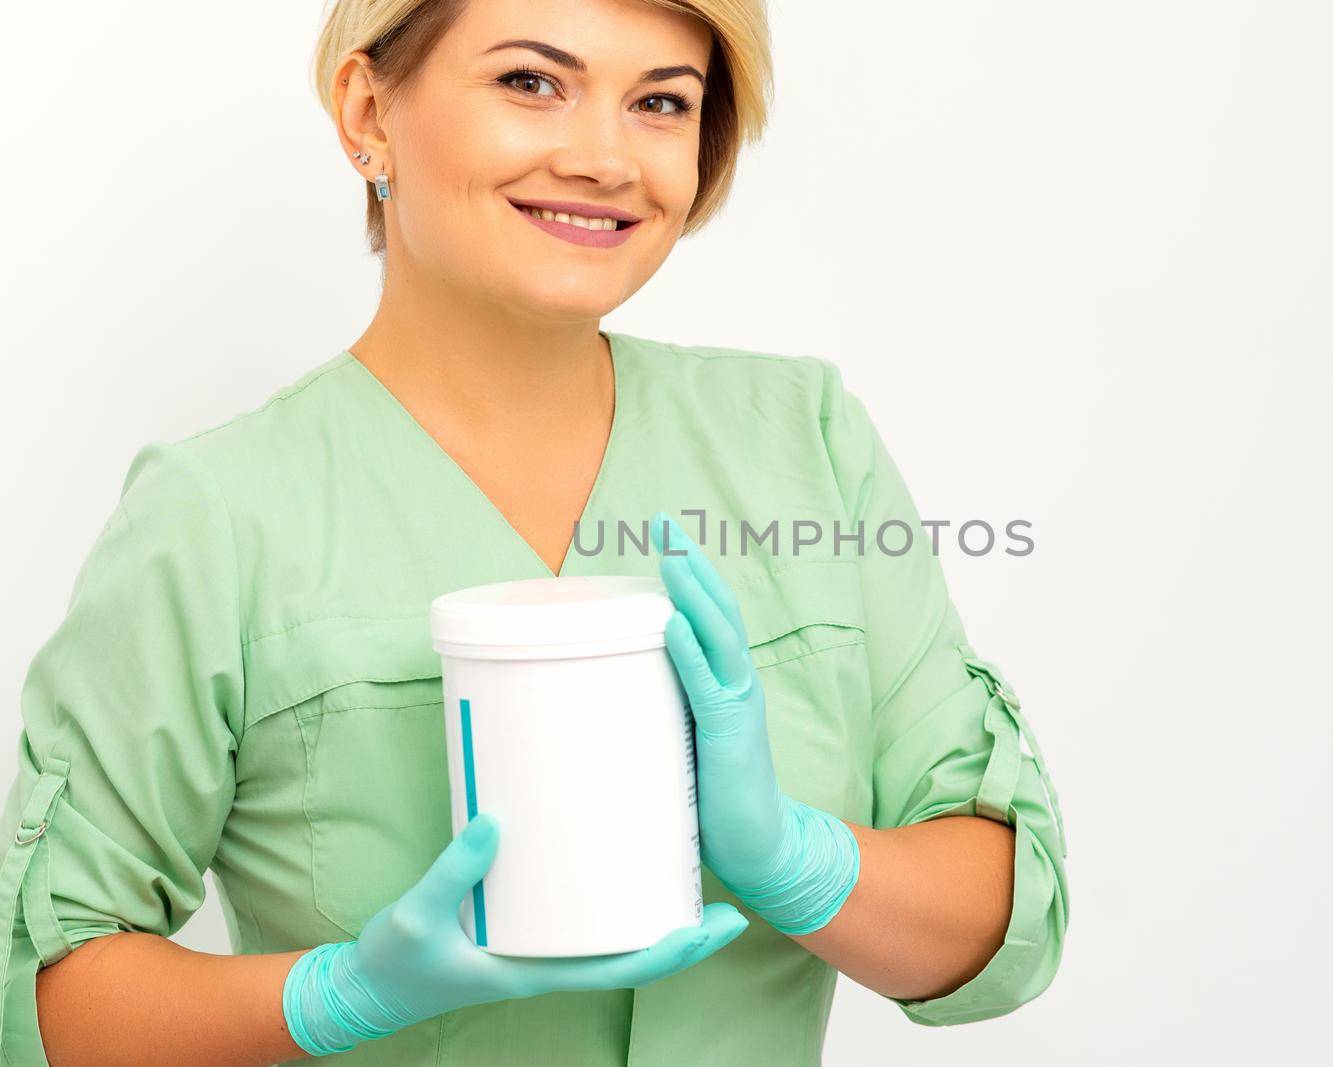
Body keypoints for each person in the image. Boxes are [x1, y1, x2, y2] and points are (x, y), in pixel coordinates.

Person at [0, 0, 1068, 1063]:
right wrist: (338, 993)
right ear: (367, 110)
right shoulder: (215, 514)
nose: (606, 158)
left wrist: (797, 858)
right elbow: (43, 1000)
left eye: (660, 101)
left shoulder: (806, 443)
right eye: (530, 82)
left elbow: (1004, 922)